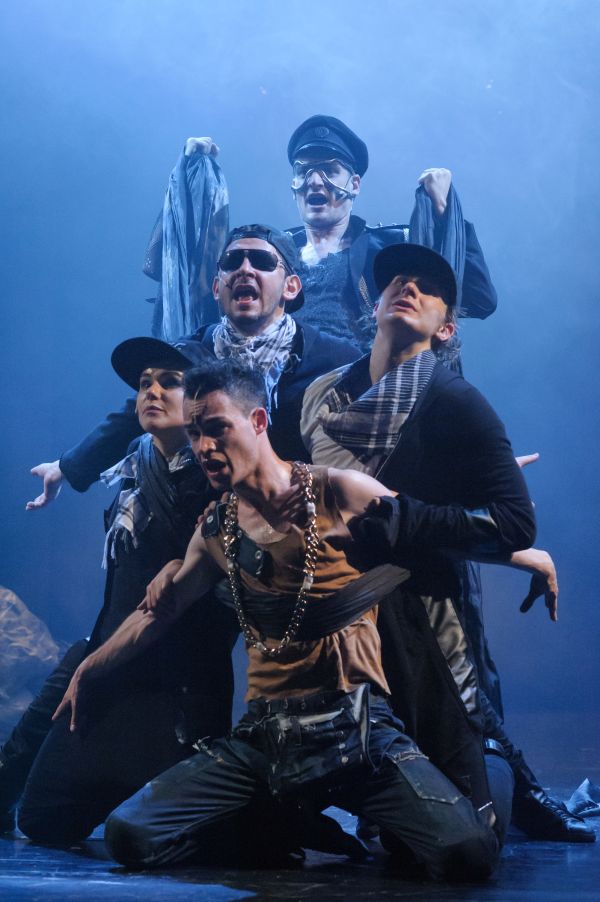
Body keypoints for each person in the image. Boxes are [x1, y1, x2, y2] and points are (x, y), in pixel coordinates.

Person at [55, 358, 533, 880]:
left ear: (258, 421)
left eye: (217, 429)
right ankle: (274, 823)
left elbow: (433, 529)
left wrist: (526, 556)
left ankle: (493, 765)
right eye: (194, 434)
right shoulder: (215, 530)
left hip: (358, 734)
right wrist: (89, 668)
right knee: (129, 833)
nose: (204, 447)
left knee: (467, 854)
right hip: (265, 742)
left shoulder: (338, 492)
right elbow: (157, 614)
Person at [301, 243, 595, 843]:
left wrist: (397, 516)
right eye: (396, 280)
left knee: (468, 820)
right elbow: (293, 483)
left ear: (446, 328)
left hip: (420, 609)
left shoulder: (457, 403)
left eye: (428, 287)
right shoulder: (322, 395)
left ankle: (503, 773)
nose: (407, 287)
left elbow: (514, 522)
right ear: (374, 305)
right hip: (334, 601)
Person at [1, 338, 237, 842]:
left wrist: (182, 563)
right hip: (110, 651)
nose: (152, 391)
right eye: (145, 383)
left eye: (169, 382)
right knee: (42, 817)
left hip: (177, 675)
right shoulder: (136, 459)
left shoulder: (218, 479)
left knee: (171, 826)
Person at [25, 224, 358, 508]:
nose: (245, 269)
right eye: (232, 262)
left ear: (291, 286)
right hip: (212, 525)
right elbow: (132, 416)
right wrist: (68, 467)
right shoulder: (188, 354)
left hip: (303, 521)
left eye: (262, 261)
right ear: (216, 287)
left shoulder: (335, 357)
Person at [150, 116, 497, 355]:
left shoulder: (392, 248)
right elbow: (194, 285)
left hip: (362, 391)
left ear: (354, 185)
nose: (315, 182)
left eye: (330, 171)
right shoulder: (265, 255)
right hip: (275, 393)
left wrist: (444, 214)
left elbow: (478, 299)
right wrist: (189, 187)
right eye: (304, 172)